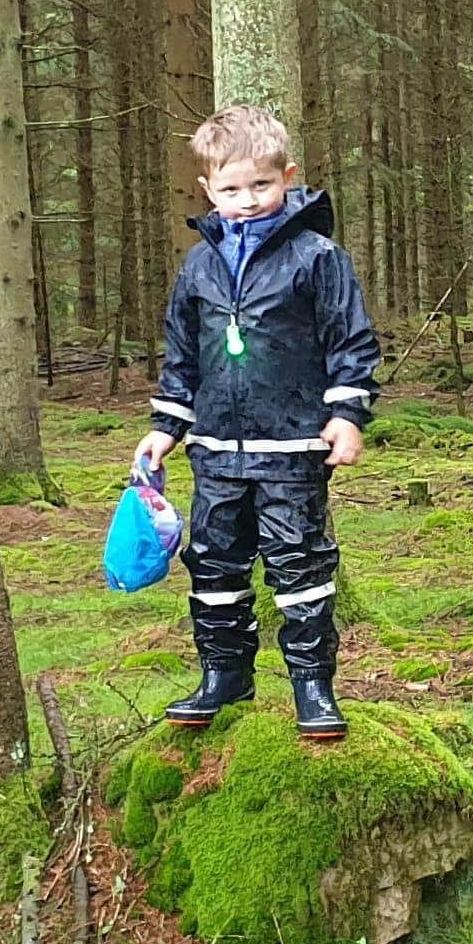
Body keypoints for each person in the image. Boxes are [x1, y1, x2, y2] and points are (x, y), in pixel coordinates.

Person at [131, 105, 378, 740]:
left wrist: (347, 415)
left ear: (288, 178)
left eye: (261, 186)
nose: (247, 200)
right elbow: (182, 353)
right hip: (214, 449)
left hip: (294, 444)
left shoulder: (318, 257)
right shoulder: (199, 266)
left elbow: (351, 343)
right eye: (233, 188)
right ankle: (224, 675)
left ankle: (313, 686)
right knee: (213, 562)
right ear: (208, 189)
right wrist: (167, 426)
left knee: (300, 563)